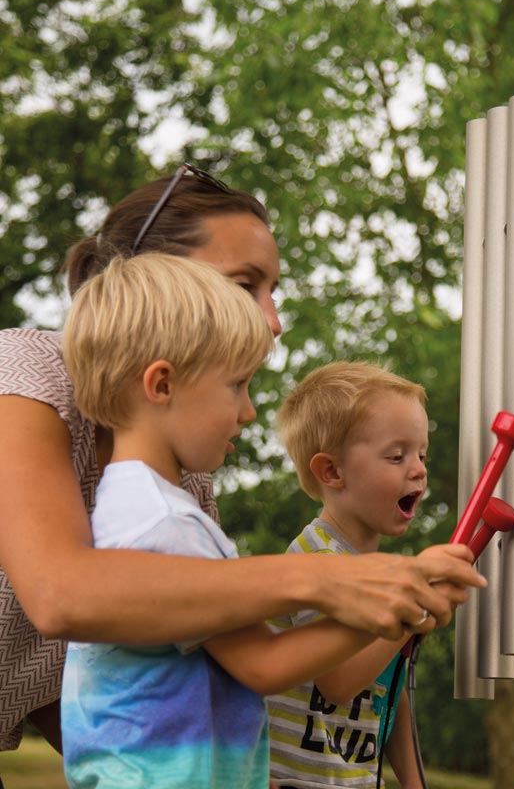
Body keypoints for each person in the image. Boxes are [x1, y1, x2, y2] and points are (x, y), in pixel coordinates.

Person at [0, 164, 486, 756]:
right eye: (245, 285)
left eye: (272, 292)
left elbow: (123, 670)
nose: (274, 321)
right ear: (149, 279)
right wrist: (334, 579)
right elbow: (62, 595)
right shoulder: (28, 375)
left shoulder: (185, 480)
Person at [60, 254, 424, 787]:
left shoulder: (131, 507)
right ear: (161, 385)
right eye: (237, 386)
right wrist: (401, 605)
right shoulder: (166, 527)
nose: (249, 411)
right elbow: (265, 663)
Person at [268, 362, 433, 789]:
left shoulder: (380, 577)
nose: (418, 469)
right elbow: (338, 680)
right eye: (397, 456)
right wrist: (411, 613)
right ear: (332, 472)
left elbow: (387, 693)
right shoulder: (317, 561)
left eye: (422, 453)